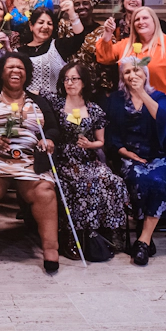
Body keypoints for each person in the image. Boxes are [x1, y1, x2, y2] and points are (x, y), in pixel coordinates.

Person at [0, 52, 65, 273]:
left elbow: (52, 128)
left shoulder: (37, 101)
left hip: (30, 158)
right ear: (1, 73)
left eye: (20, 68)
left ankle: (51, 248)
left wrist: (48, 139)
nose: (15, 71)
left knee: (45, 192)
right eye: (10, 67)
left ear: (27, 74)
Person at [106, 55, 166, 266]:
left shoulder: (160, 97)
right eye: (127, 72)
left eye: (137, 70)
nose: (132, 75)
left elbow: (163, 119)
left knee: (155, 179)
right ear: (122, 77)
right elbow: (111, 135)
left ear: (145, 74)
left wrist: (141, 92)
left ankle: (143, 240)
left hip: (159, 156)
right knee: (139, 178)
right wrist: (125, 153)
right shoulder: (115, 100)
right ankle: (143, 235)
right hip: (129, 156)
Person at [95, 5, 166, 143]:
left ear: (154, 21)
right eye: (137, 19)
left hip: (165, 113)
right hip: (132, 115)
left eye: (145, 18)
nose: (141, 22)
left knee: (162, 160)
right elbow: (104, 57)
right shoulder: (125, 45)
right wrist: (107, 33)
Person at [56, 61, 129, 252]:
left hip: (87, 158)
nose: (69, 83)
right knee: (83, 183)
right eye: (66, 79)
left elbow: (100, 141)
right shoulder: (56, 104)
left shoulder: (94, 109)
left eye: (74, 79)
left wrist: (89, 144)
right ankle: (75, 234)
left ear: (84, 82)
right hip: (64, 160)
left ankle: (109, 230)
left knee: (112, 181)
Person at [18, 6, 80, 100]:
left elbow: (79, 38)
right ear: (31, 26)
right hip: (28, 106)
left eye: (49, 23)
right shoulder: (19, 52)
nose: (45, 27)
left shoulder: (58, 46)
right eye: (41, 22)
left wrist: (72, 13)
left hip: (57, 105)